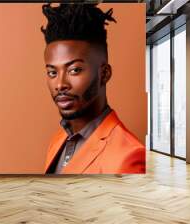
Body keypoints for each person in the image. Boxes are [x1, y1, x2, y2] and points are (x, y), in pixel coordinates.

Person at [41, 3, 145, 174]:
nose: (60, 84)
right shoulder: (58, 140)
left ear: (104, 74)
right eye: (52, 72)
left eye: (74, 70)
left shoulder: (129, 156)